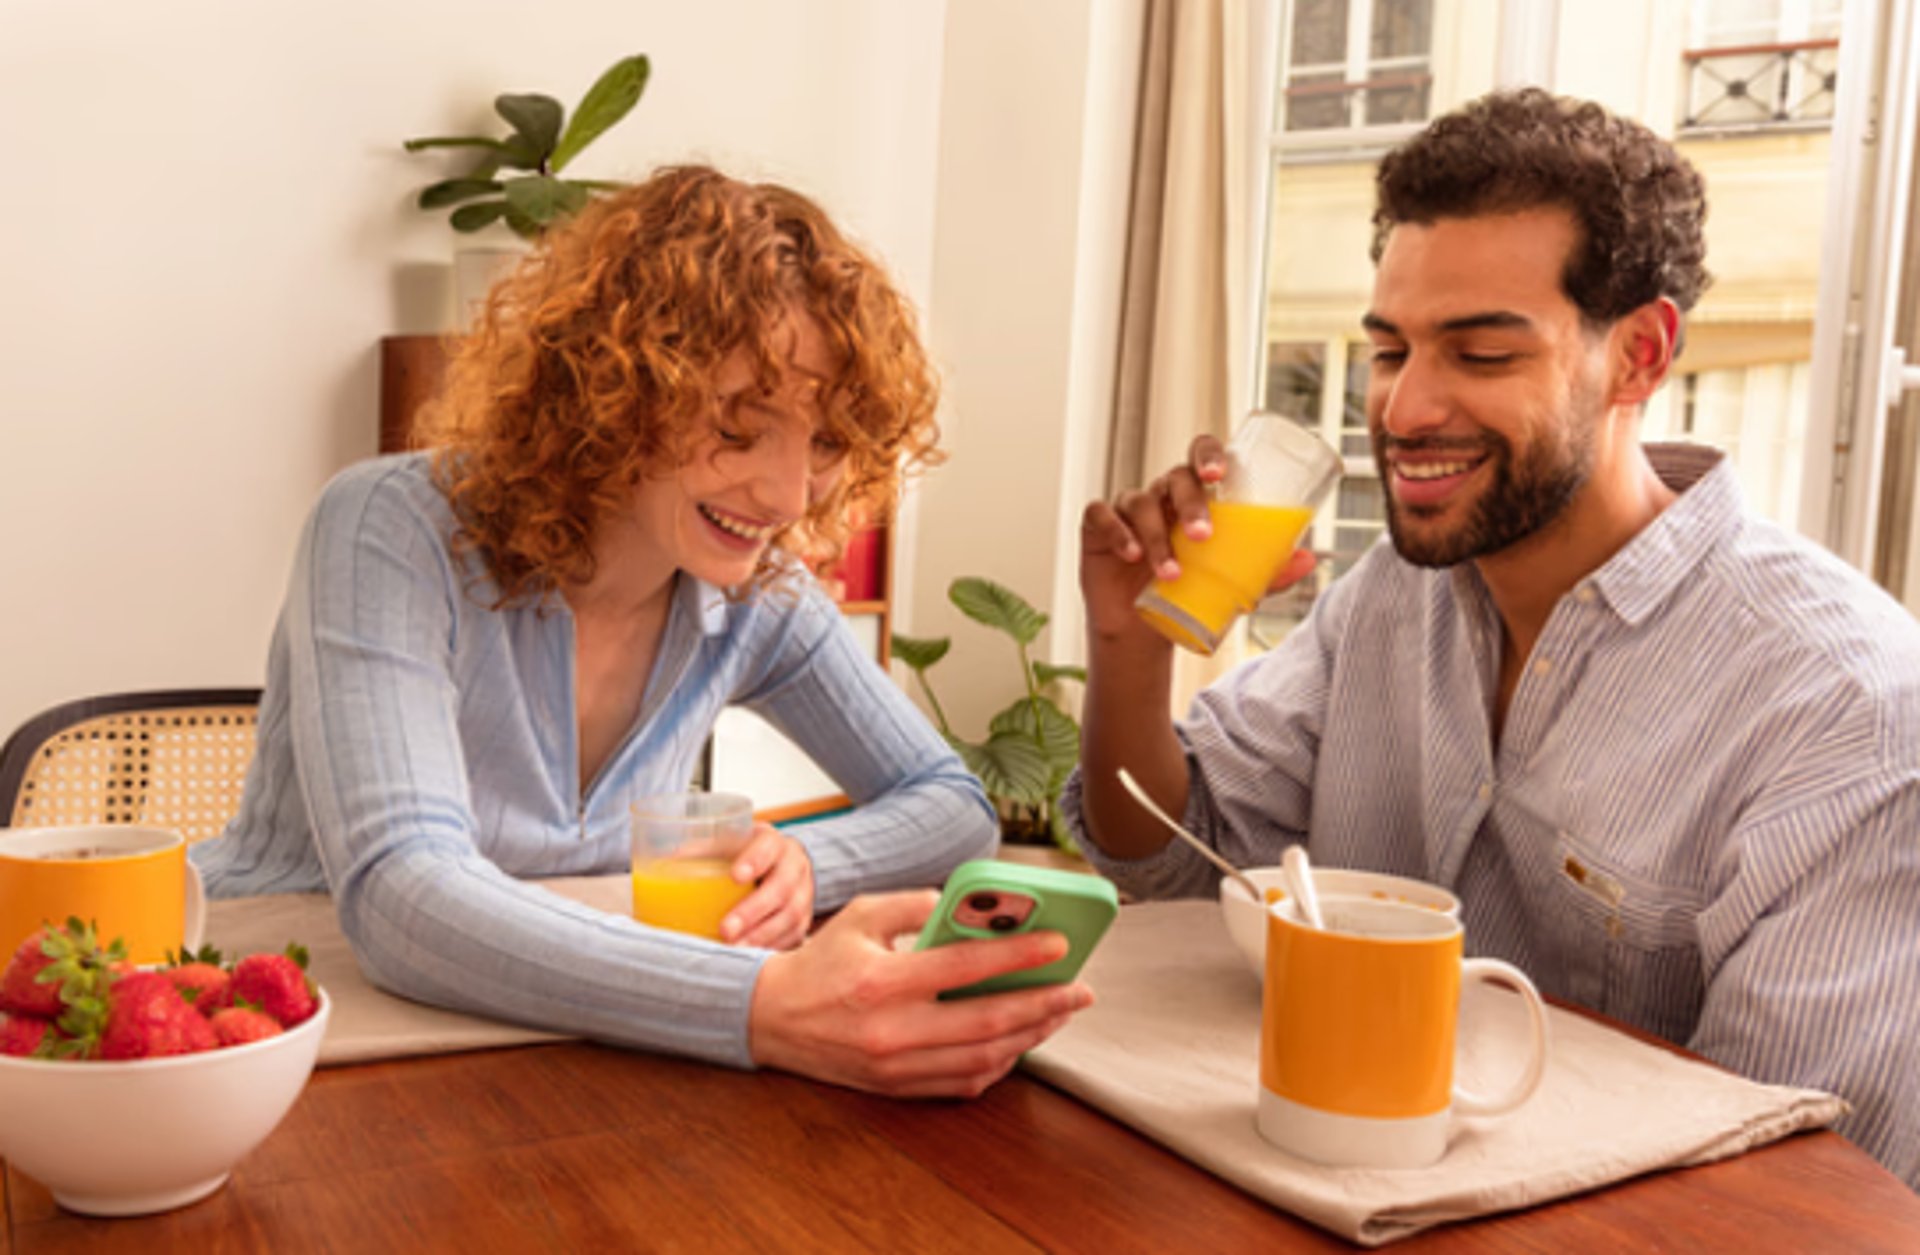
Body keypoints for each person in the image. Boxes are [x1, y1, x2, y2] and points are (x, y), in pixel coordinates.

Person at [1069, 88, 1920, 1184]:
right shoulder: (1391, 597)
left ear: (1641, 355)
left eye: (1479, 355)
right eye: (1391, 350)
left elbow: (1784, 1170)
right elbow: (1175, 864)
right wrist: (1131, 651)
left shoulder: (1850, 706)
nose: (1406, 408)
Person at [195, 165, 1092, 1097]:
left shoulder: (754, 594)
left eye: (824, 443)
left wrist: (799, 863)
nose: (788, 496)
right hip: (266, 1028)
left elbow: (952, 805)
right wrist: (763, 1003)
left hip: (573, 1037)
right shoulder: (390, 527)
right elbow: (402, 895)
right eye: (740, 428)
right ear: (613, 390)